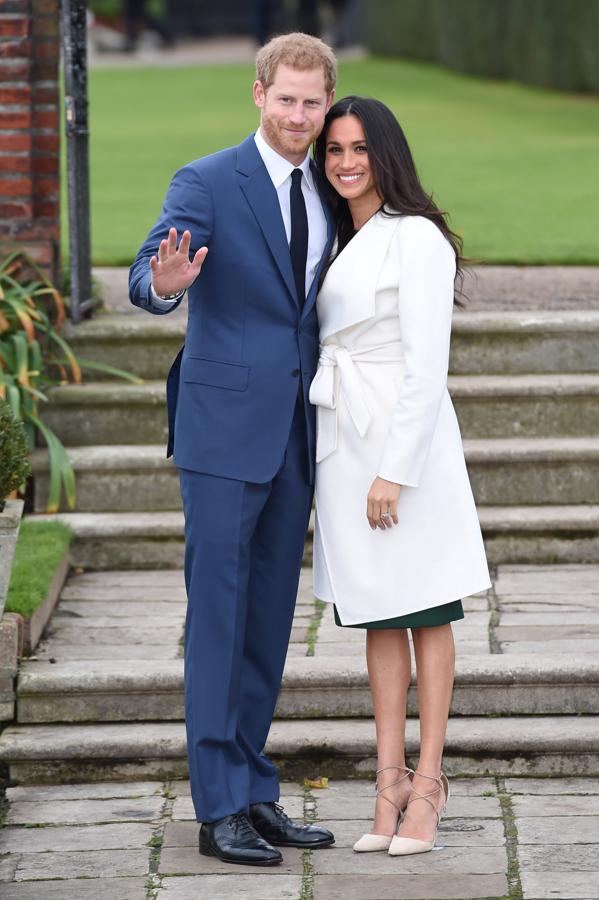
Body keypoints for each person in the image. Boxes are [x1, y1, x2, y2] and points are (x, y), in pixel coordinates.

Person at [129, 32, 337, 867]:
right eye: (285, 98)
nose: (297, 115)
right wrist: (163, 286)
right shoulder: (208, 180)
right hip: (221, 432)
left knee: (268, 619)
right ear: (258, 94)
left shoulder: (332, 186)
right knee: (218, 616)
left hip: (298, 432)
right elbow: (147, 271)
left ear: (326, 104)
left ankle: (253, 789)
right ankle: (217, 809)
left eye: (311, 102)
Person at [310, 96, 491, 856]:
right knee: (378, 613)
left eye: (359, 148)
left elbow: (426, 367)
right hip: (343, 438)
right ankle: (387, 786)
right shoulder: (329, 235)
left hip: (400, 443)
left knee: (427, 609)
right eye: (333, 150)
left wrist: (394, 470)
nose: (346, 163)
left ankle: (429, 786)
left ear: (386, 154)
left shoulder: (415, 236)